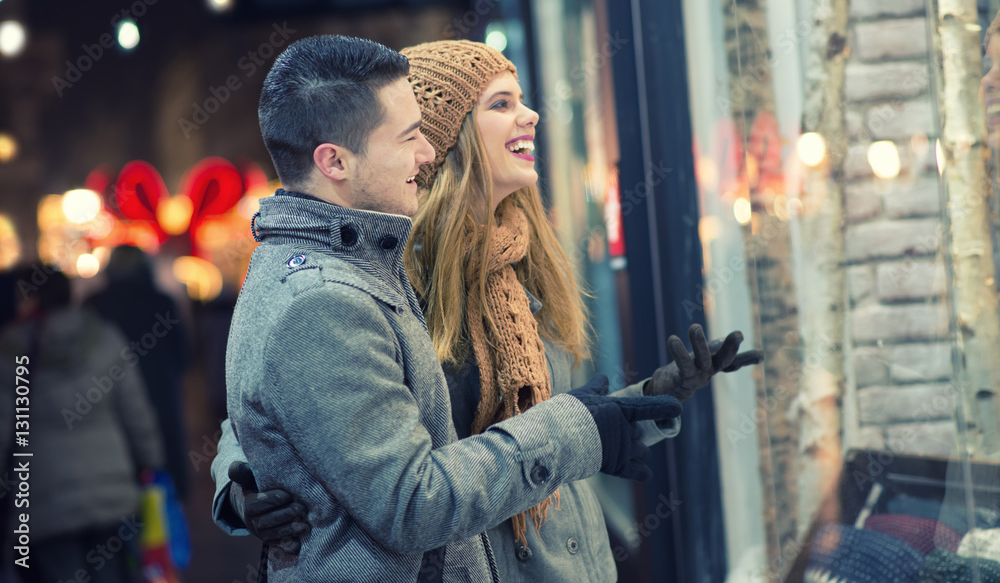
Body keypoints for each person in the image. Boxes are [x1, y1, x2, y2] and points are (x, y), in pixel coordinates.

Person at [213, 37, 762, 580]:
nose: (531, 116)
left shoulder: (521, 253)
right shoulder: (392, 270)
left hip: (565, 553)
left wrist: (646, 401)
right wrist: (245, 486)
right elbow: (288, 402)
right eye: (500, 104)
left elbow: (547, 421)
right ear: (449, 136)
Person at [0, 267, 164, 583]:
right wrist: (152, 462)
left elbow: (5, 429)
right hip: (110, 489)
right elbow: (136, 411)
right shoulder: (104, 336)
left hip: (44, 497)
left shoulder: (11, 350)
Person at [86, 245, 192, 499]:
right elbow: (182, 355)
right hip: (159, 396)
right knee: (162, 488)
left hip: (108, 400)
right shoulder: (161, 302)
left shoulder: (95, 306)